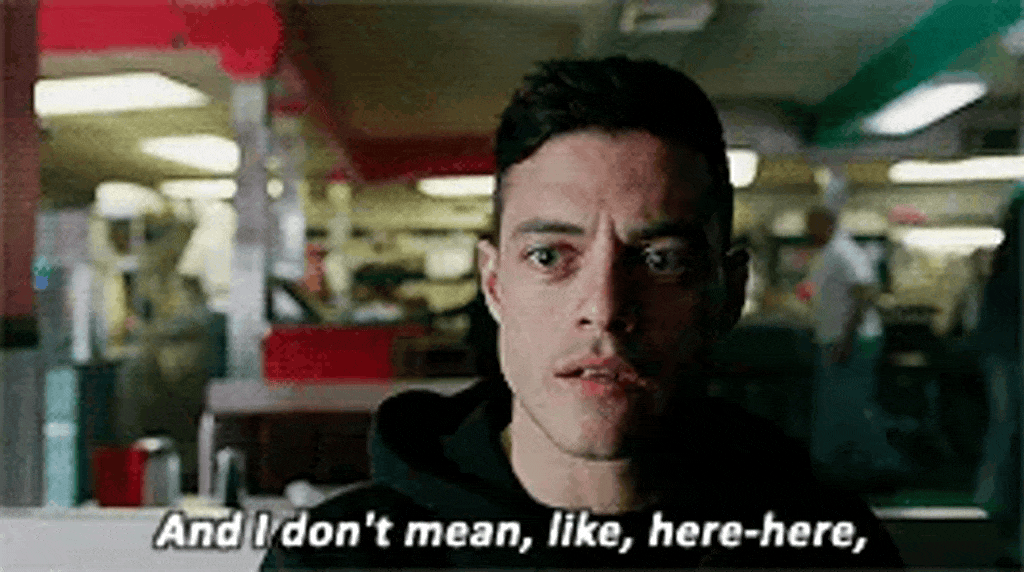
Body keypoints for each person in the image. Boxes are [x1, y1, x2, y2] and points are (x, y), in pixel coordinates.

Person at [261, 57, 904, 569]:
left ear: (728, 294)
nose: (604, 308)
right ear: (494, 284)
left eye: (660, 261)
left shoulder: (828, 553)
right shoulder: (340, 561)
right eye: (549, 256)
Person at [804, 206, 910, 479]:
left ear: (826, 223)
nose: (807, 231)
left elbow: (864, 294)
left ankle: (886, 463)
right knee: (835, 405)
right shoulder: (830, 252)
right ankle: (833, 465)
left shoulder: (844, 251)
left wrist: (846, 339)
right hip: (838, 339)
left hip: (853, 341)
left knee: (853, 403)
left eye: (811, 224)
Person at [971, 192, 1024, 566]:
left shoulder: (1006, 257)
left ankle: (992, 514)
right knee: (1009, 434)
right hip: (1012, 346)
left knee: (1006, 433)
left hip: (1004, 346)